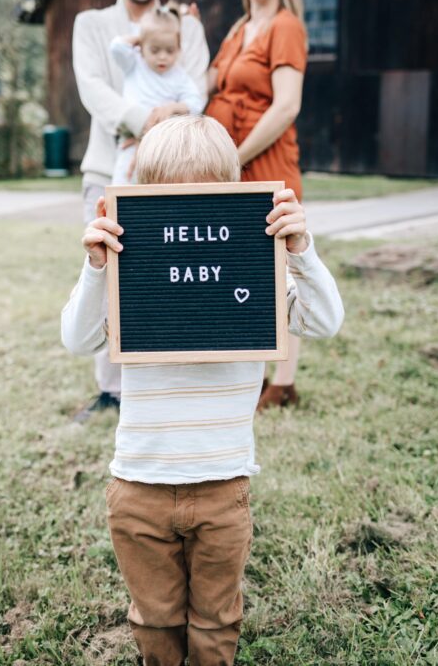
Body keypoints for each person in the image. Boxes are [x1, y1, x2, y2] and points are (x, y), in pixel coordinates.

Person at [61, 114, 344, 666]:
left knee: (218, 620)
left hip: (223, 485)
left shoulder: (260, 268)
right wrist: (95, 268)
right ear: (143, 199)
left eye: (204, 197)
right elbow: (77, 339)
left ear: (233, 194)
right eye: (168, 200)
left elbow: (326, 320)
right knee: (154, 617)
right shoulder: (127, 269)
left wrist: (302, 251)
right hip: (140, 483)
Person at [72, 0, 210, 411]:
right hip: (108, 167)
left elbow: (197, 90)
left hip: (173, 172)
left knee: (166, 276)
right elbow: (93, 89)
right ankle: (111, 392)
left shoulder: (186, 27)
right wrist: (145, 117)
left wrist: (164, 124)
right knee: (110, 274)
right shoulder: (92, 26)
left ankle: (165, 386)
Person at [206, 0, 308, 411]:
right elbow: (205, 83)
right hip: (232, 163)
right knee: (244, 265)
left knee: (279, 266)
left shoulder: (285, 26)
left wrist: (238, 155)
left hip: (263, 160)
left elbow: (286, 106)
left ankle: (284, 383)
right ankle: (255, 371)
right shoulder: (236, 29)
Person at [110, 3, 204, 184]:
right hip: (132, 136)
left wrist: (173, 107)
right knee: (125, 179)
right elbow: (116, 47)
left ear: (178, 48)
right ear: (141, 48)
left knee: (157, 184)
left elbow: (195, 103)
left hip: (163, 142)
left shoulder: (178, 75)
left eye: (170, 50)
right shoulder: (134, 64)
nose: (162, 57)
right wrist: (142, 38)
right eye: (154, 50)